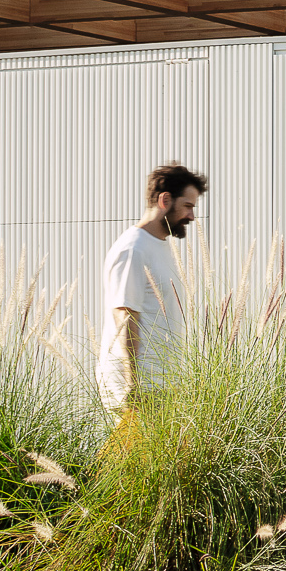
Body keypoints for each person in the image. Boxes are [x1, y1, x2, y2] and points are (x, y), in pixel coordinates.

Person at [95, 162, 208, 428]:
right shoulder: (133, 249)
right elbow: (125, 317)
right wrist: (133, 387)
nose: (192, 216)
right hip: (140, 387)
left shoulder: (160, 246)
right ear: (165, 200)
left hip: (161, 383)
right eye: (188, 206)